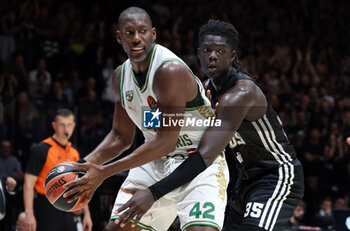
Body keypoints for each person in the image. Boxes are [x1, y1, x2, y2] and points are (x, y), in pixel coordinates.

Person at [114, 19, 305, 231]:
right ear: (198, 53)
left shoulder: (241, 94)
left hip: (276, 173)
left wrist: (153, 192)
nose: (212, 55)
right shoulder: (203, 91)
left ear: (232, 56)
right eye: (207, 50)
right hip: (245, 177)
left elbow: (204, 156)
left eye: (221, 51)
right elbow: (162, 126)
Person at [63, 7, 229, 231]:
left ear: (153, 34)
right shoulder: (120, 77)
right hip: (154, 161)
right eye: (129, 33)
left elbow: (165, 141)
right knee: (117, 229)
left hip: (197, 161)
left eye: (142, 31)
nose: (136, 38)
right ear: (119, 36)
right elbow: (120, 136)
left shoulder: (169, 71)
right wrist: (84, 166)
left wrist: (103, 172)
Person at [17, 108, 92, 231]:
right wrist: (29, 215)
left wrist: (87, 215)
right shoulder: (42, 149)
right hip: (46, 206)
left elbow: (82, 184)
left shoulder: (74, 151)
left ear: (74, 126)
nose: (66, 129)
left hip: (69, 207)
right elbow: (28, 184)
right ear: (54, 125)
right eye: (62, 125)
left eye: (69, 125)